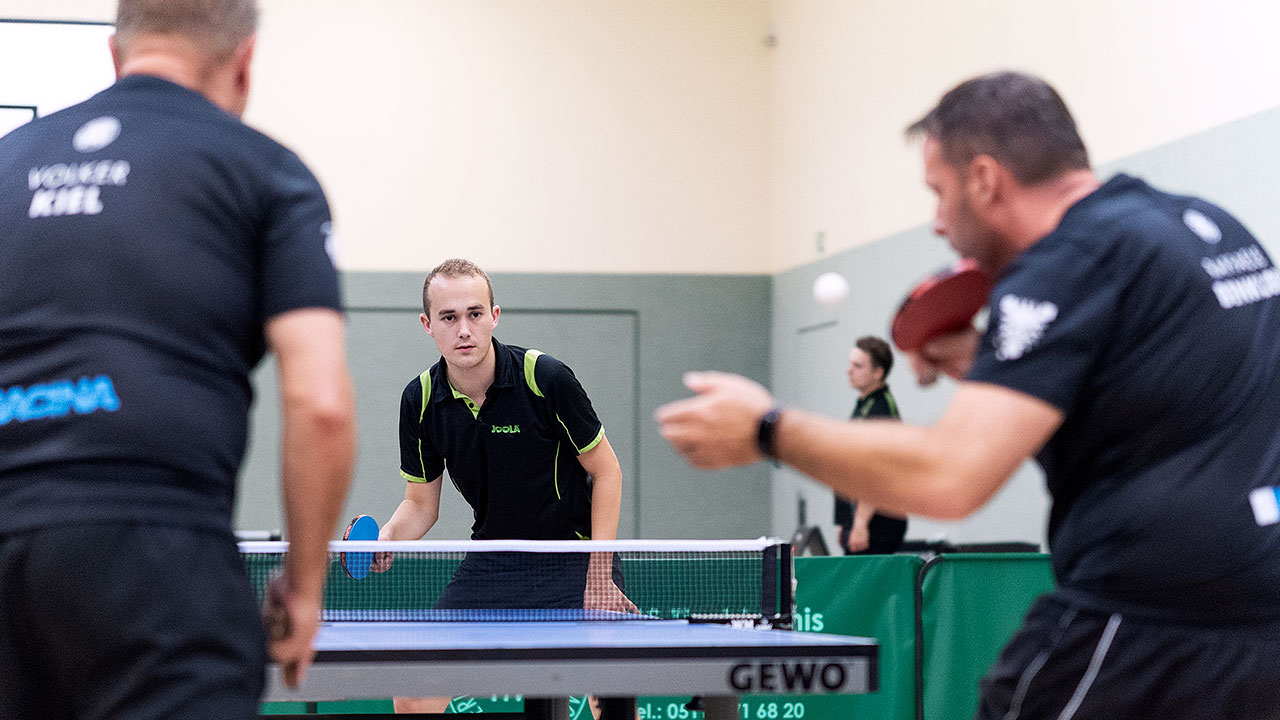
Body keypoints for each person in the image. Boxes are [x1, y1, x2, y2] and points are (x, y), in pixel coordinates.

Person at [657, 71, 1280, 719]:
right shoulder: (1204, 225)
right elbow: (1163, 399)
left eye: (939, 193)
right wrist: (993, 363)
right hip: (1262, 621)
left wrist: (767, 429)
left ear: (984, 179)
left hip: (1147, 628)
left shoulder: (1069, 261)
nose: (936, 223)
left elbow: (950, 478)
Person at [0, 1, 357, 717]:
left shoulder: (8, 161)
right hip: (156, 558)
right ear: (245, 63)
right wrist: (305, 586)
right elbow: (321, 405)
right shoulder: (265, 171)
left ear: (115, 54)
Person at [379, 258, 633, 715]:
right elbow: (420, 504)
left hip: (574, 557)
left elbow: (607, 472)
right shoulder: (420, 400)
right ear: (427, 325)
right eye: (449, 317)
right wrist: (386, 540)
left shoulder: (545, 378)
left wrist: (599, 577)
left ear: (494, 316)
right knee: (413, 691)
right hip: (494, 560)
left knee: (609, 689)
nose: (464, 330)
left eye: (475, 314)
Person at [833, 336, 907, 555]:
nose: (849, 370)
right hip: (859, 517)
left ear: (878, 372)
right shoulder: (864, 405)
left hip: (878, 521)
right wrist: (845, 520)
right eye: (850, 364)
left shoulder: (881, 410)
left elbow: (876, 471)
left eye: (858, 366)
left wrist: (860, 524)